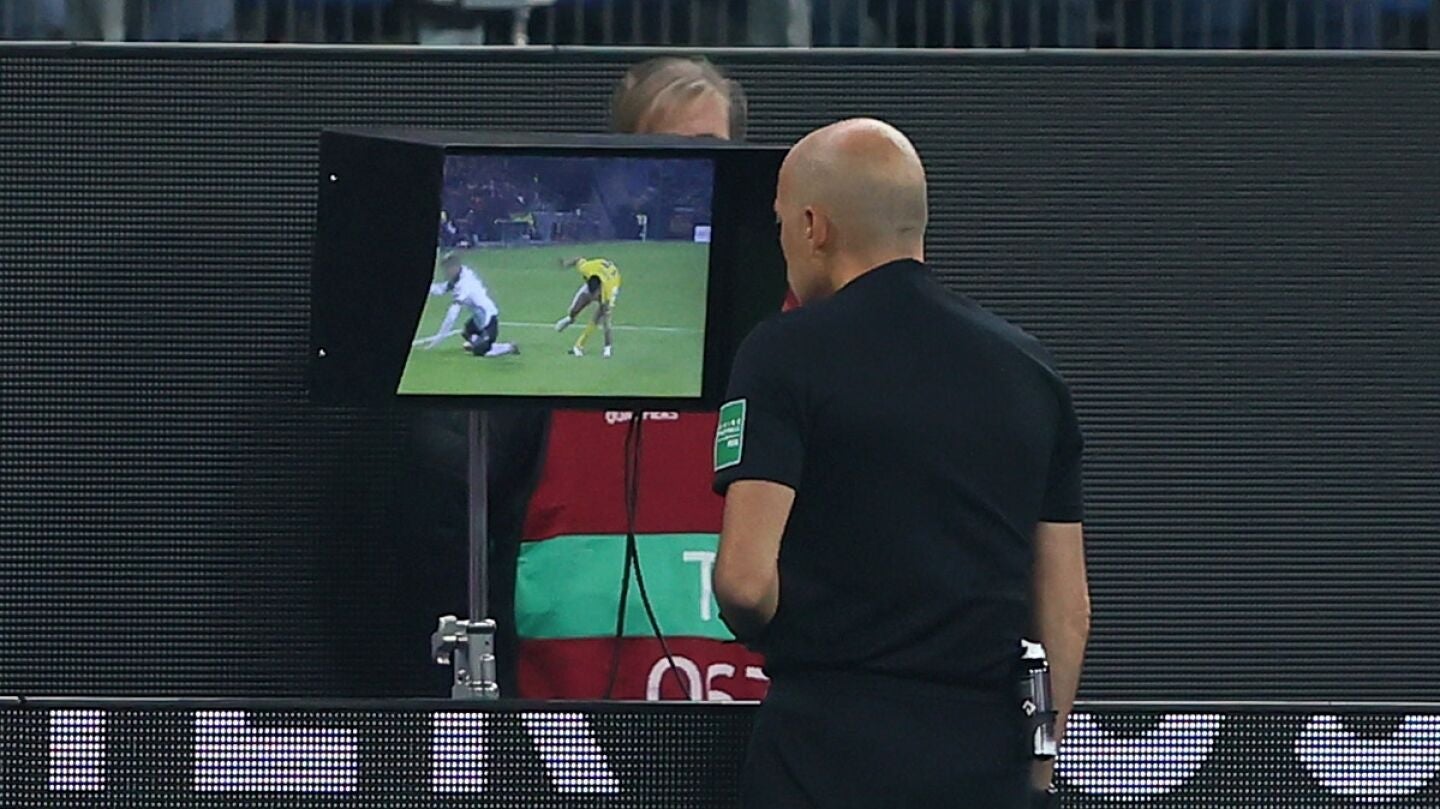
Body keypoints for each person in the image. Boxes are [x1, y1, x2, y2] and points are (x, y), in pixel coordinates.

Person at [712, 118, 1091, 808]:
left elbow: (743, 581)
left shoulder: (782, 352)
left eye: (780, 224)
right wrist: (1034, 772)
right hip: (981, 759)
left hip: (822, 751)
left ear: (812, 226)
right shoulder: (1030, 371)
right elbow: (1066, 614)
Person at [390, 56, 777, 702]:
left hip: (740, 704)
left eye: (709, 148)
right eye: (664, 149)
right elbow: (453, 501)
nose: (687, 169)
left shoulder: (785, 324)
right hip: (561, 709)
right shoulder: (539, 370)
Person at [423, 250, 519, 358]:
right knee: (466, 332)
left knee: (480, 351)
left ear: (454, 268)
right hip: (477, 320)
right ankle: (478, 341)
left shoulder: (465, 284)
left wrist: (437, 340)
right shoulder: (460, 276)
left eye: (447, 269)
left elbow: (452, 316)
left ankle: (508, 347)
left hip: (488, 320)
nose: (445, 272)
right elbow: (441, 289)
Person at [555, 256, 623, 357]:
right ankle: (570, 318)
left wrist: (607, 349)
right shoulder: (587, 268)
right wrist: (566, 264)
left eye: (595, 296)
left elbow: (605, 321)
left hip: (612, 280)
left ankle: (605, 347)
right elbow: (578, 259)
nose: (593, 298)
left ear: (599, 291)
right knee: (575, 308)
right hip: (599, 273)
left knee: (602, 318)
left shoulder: (609, 291)